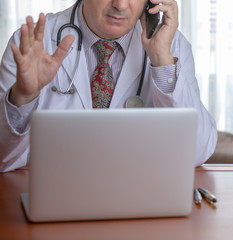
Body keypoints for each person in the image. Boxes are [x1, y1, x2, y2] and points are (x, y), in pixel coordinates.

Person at [0, 0, 217, 172]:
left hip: (137, 200)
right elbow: (3, 158)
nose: (121, 5)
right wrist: (23, 97)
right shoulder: (31, 43)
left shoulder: (170, 45)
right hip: (54, 197)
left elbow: (197, 152)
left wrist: (161, 60)